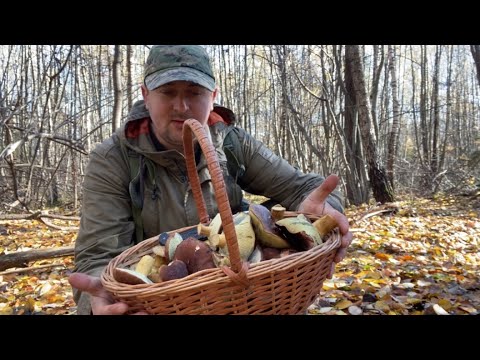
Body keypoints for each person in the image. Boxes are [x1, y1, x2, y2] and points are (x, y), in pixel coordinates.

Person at [68, 45, 354, 315]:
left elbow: (303, 187)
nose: (181, 106)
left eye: (194, 92)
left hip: (246, 293)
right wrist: (99, 298)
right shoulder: (114, 159)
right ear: (146, 94)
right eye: (167, 92)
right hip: (163, 301)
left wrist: (319, 216)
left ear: (213, 95)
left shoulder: (229, 142)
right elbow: (98, 255)